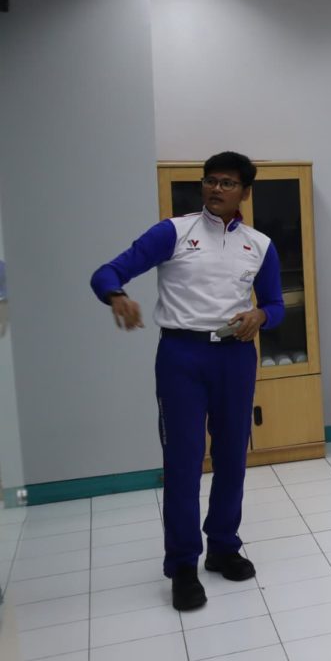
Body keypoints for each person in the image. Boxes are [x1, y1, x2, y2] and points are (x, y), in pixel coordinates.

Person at [88, 152, 284, 611]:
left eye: (228, 183)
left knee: (232, 457)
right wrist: (116, 295)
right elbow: (106, 272)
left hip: (235, 357)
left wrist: (260, 316)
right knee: (183, 461)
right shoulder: (174, 232)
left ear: (245, 192)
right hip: (182, 357)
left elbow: (276, 305)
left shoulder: (260, 245)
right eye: (210, 180)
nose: (216, 189)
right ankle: (182, 565)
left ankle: (223, 547)